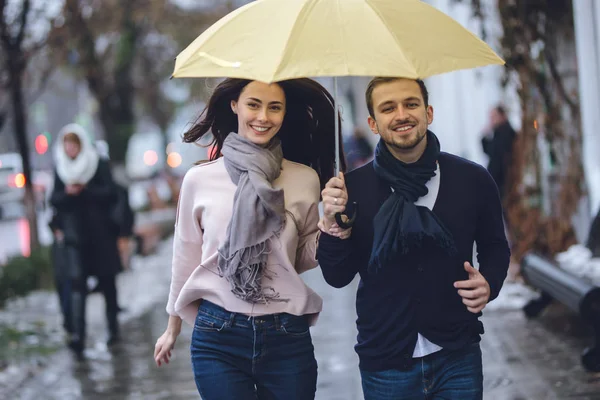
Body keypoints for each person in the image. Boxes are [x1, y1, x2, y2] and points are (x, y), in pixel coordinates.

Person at [153, 78, 349, 399]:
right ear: (235, 106)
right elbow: (185, 256)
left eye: (275, 107)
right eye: (253, 104)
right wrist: (172, 328)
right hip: (218, 335)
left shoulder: (304, 178)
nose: (263, 117)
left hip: (286, 335)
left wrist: (330, 223)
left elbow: (301, 257)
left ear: (285, 114)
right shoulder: (199, 179)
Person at [317, 77, 510, 400]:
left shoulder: (472, 178)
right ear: (373, 123)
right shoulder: (350, 189)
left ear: (428, 112)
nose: (401, 114)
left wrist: (489, 282)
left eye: (411, 104)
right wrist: (332, 224)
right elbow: (336, 277)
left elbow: (495, 246)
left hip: (457, 354)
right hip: (386, 361)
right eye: (388, 108)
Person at [49, 123, 122, 357]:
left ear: (81, 145)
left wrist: (86, 190)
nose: (70, 148)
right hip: (75, 238)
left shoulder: (97, 164)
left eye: (73, 144)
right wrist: (68, 193)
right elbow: (54, 200)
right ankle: (78, 336)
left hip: (100, 236)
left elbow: (111, 193)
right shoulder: (61, 169)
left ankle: (113, 330)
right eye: (66, 144)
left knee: (107, 284)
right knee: (78, 286)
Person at [481, 105, 516, 202]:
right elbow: (489, 151)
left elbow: (495, 154)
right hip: (499, 182)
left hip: (503, 182)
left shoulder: (505, 133)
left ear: (502, 116)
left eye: (494, 117)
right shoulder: (499, 132)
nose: (491, 120)